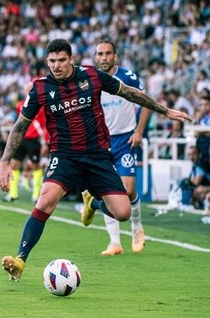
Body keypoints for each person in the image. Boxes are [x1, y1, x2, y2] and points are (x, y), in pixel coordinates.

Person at [0, 39, 193, 281]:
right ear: (47, 62)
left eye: (61, 60)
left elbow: (130, 93)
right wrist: (5, 161)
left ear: (71, 59)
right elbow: (19, 127)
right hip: (64, 156)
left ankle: (92, 203)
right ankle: (20, 260)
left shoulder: (92, 76)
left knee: (122, 213)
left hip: (98, 155)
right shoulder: (40, 88)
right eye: (52, 61)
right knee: (45, 201)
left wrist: (165, 111)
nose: (56, 66)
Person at [82, 40, 152, 256]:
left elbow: (146, 102)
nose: (104, 58)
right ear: (95, 57)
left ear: (115, 56)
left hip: (125, 140)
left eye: (108, 54)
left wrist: (139, 131)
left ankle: (137, 228)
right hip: (101, 143)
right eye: (100, 54)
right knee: (107, 190)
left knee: (128, 190)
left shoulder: (128, 77)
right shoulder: (90, 81)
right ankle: (114, 242)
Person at [2, 82, 48, 204]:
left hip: (34, 139)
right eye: (26, 88)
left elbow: (44, 125)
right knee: (15, 165)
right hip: (21, 139)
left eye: (30, 88)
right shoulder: (19, 105)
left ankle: (36, 195)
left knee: (35, 166)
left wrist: (45, 142)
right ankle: (13, 195)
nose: (27, 90)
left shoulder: (41, 106)